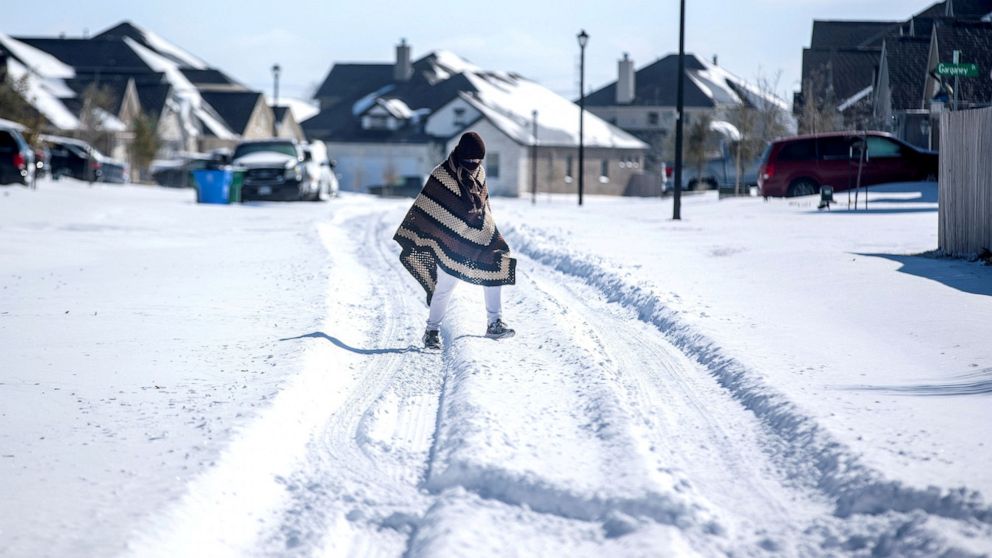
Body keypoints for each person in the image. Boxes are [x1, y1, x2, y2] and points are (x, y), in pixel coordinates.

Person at [393, 132, 516, 350]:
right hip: (449, 241)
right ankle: (431, 331)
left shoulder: (480, 172)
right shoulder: (442, 174)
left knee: (496, 265)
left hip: (478, 236)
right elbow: (428, 207)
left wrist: (488, 229)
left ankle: (494, 322)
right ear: (461, 155)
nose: (474, 164)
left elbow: (484, 206)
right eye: (470, 160)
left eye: (478, 160)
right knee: (445, 287)